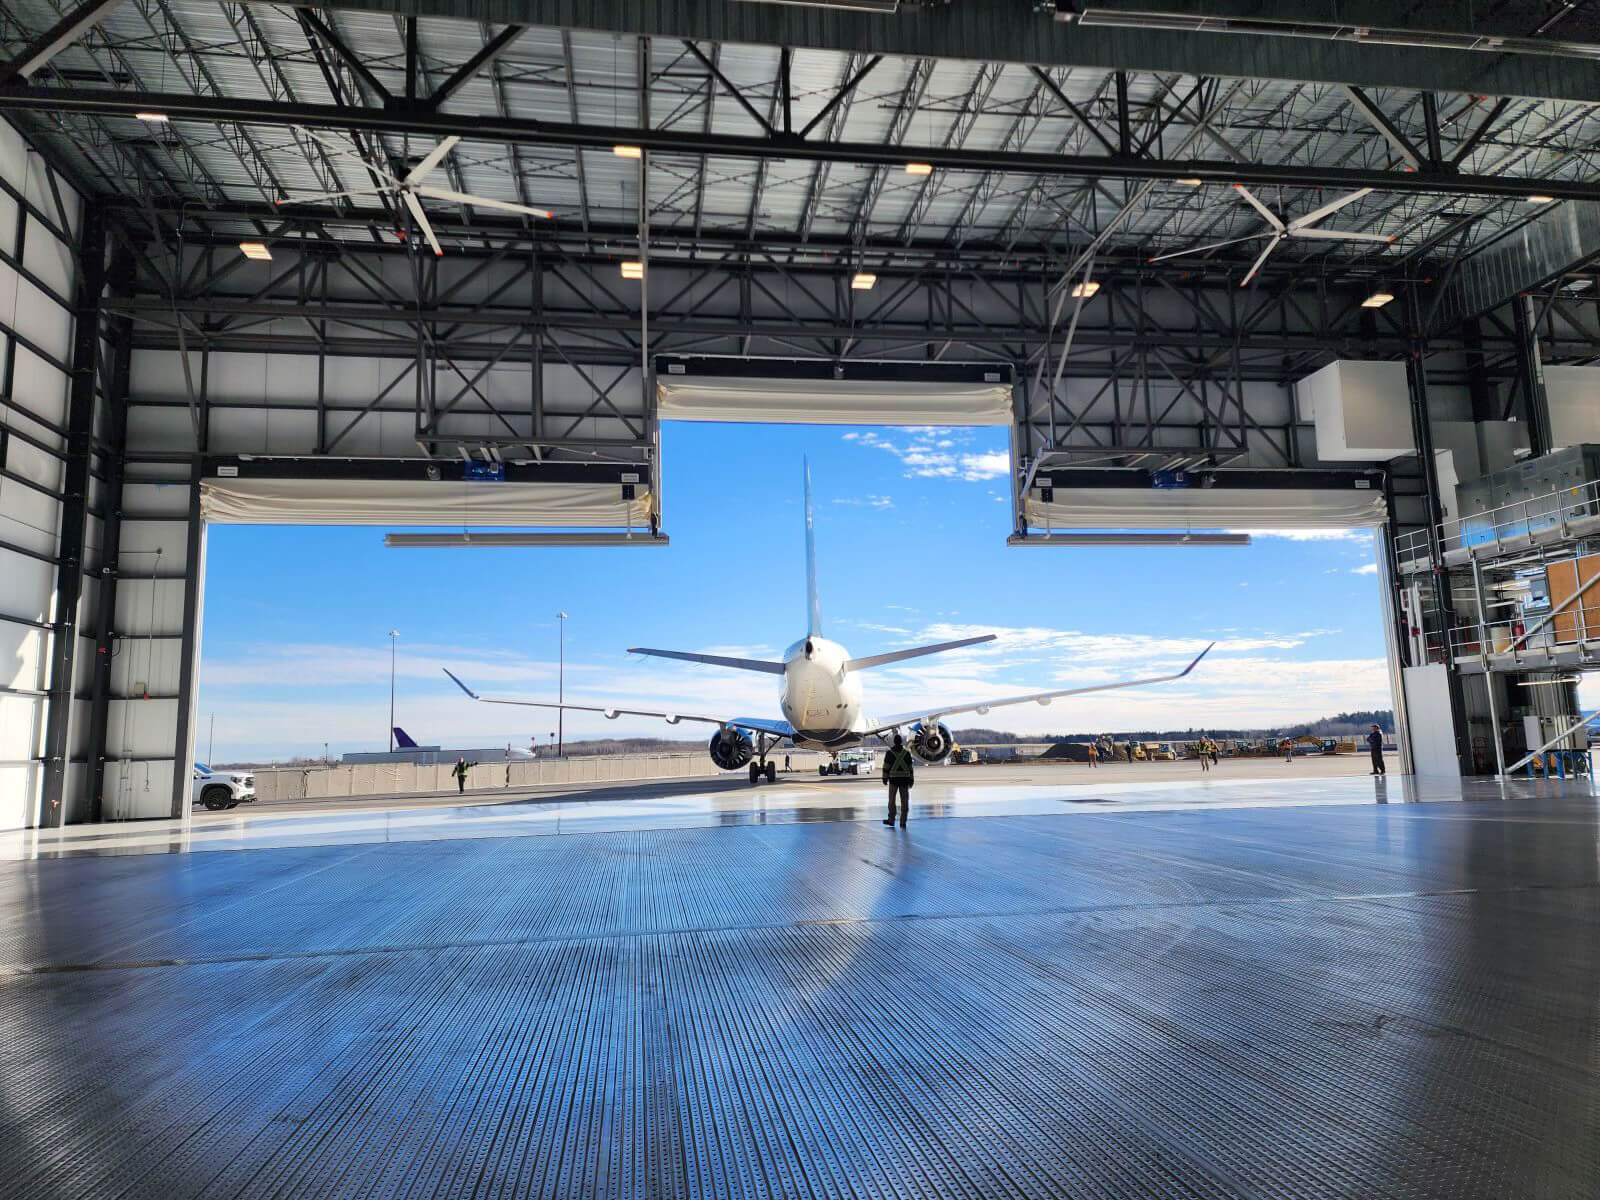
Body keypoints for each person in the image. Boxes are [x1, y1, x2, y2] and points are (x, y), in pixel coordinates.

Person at [882, 733, 915, 828]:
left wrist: (884, 778)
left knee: (891, 801)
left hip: (893, 781)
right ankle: (903, 822)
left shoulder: (889, 753)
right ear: (901, 742)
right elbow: (910, 769)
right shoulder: (907, 753)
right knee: (905, 802)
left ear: (894, 742)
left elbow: (886, 768)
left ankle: (891, 820)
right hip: (904, 781)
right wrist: (911, 780)